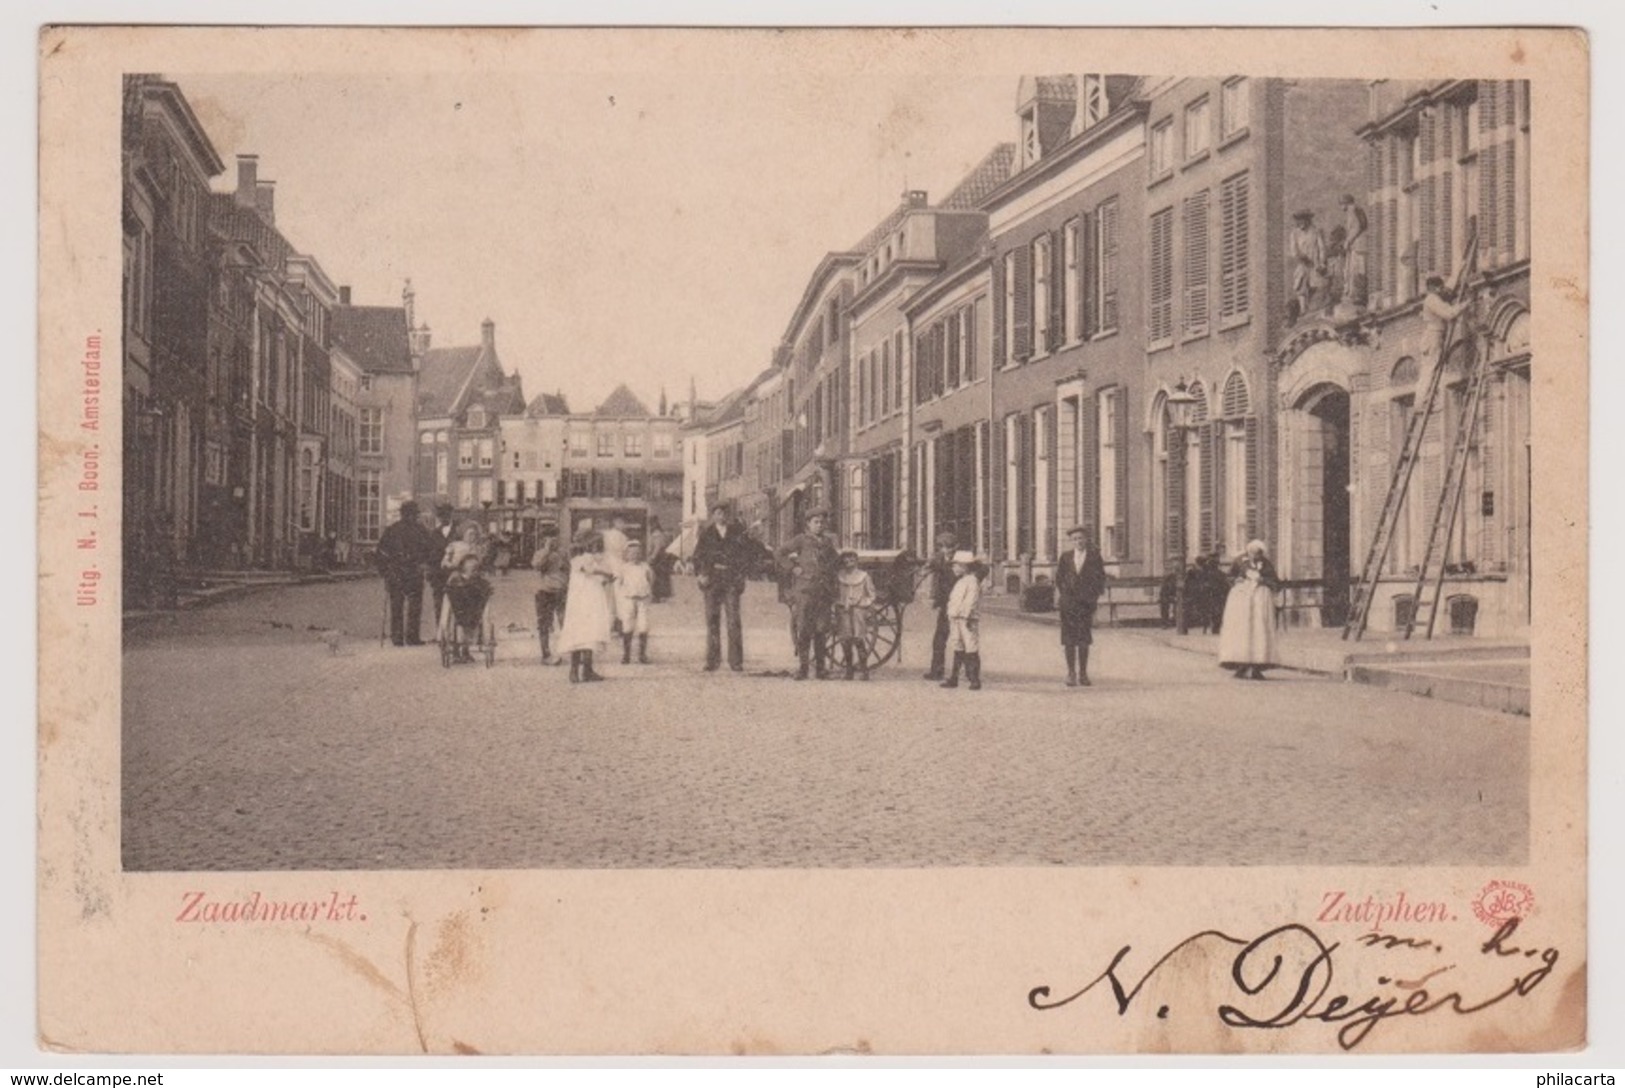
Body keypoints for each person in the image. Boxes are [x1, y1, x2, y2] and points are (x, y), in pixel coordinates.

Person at [777, 507, 840, 681]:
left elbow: (835, 562)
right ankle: (803, 668)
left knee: (821, 629)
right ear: (808, 524)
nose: (819, 525)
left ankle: (820, 669)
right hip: (805, 590)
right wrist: (793, 568)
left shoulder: (827, 543)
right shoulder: (801, 540)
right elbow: (780, 553)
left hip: (823, 592)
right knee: (804, 629)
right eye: (816, 522)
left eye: (822, 522)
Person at [692, 504, 754, 672]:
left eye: (724, 513)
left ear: (728, 515)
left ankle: (736, 662)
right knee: (712, 620)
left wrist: (741, 574)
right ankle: (712, 661)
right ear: (713, 515)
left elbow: (746, 554)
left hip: (731, 581)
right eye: (718, 513)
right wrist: (701, 574)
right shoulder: (706, 534)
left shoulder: (737, 532)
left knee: (733, 620)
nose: (721, 516)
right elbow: (697, 557)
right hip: (712, 581)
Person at [556, 530, 616, 683]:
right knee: (581, 632)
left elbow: (599, 578)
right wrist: (607, 573)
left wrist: (607, 578)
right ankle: (575, 670)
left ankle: (586, 670)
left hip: (591, 597)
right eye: (595, 543)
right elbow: (590, 570)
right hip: (582, 599)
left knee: (590, 632)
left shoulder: (592, 560)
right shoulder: (579, 559)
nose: (597, 547)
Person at [1218, 540, 1281, 680]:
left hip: (1260, 600)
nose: (1255, 556)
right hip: (1241, 600)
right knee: (1242, 630)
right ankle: (1241, 664)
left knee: (1258, 630)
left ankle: (1257, 665)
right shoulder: (1239, 561)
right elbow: (1229, 577)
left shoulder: (1266, 564)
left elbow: (1275, 581)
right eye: (1252, 553)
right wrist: (1236, 580)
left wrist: (1262, 580)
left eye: (1258, 554)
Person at [374, 500, 434, 646]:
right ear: (409, 514)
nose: (413, 517)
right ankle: (409, 637)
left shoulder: (393, 530)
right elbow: (429, 550)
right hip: (408, 573)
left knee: (400, 606)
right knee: (409, 605)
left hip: (401, 574)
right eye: (413, 514)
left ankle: (399, 637)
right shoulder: (419, 530)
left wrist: (385, 573)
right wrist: (423, 564)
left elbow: (381, 554)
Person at [1054, 525, 1107, 687]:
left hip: (1086, 604)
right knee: (1069, 640)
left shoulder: (1094, 557)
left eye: (1081, 538)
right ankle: (1071, 673)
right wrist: (1065, 595)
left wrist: (1092, 598)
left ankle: (1083, 673)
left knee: (1084, 640)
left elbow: (1100, 579)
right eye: (1075, 539)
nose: (1078, 542)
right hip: (1068, 604)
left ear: (1086, 540)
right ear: (1071, 541)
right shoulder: (1066, 557)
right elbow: (1059, 578)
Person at [940, 550, 983, 691]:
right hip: (956, 618)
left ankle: (975, 679)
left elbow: (971, 601)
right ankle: (954, 678)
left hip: (967, 620)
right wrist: (951, 614)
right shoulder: (961, 581)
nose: (953, 568)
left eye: (956, 565)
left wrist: (966, 616)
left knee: (971, 647)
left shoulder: (972, 581)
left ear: (964, 566)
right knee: (957, 646)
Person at [833, 549, 876, 681]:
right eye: (846, 559)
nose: (848, 562)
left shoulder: (864, 576)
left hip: (858, 611)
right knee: (845, 640)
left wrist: (862, 603)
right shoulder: (840, 576)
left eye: (852, 559)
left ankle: (864, 670)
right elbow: (834, 593)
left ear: (856, 561)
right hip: (844, 611)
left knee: (859, 639)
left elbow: (871, 594)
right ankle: (849, 670)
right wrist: (839, 603)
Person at [442, 553, 493, 663]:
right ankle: (465, 650)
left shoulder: (454, 583)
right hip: (474, 613)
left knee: (454, 621)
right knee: (469, 625)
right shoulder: (482, 584)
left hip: (459, 613)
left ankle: (457, 650)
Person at [921, 532, 958, 680]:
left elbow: (983, 569)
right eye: (942, 546)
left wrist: (973, 578)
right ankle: (936, 671)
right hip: (944, 605)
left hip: (958, 605)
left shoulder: (962, 559)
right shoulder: (939, 559)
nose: (945, 550)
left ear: (955, 547)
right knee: (939, 639)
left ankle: (964, 674)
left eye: (948, 547)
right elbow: (928, 568)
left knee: (959, 640)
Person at [530, 529, 569, 663]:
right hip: (544, 591)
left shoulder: (563, 553)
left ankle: (568, 650)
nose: (553, 542)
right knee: (544, 624)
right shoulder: (540, 553)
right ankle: (545, 654)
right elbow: (536, 565)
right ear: (543, 541)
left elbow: (569, 570)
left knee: (565, 621)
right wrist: (546, 550)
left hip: (562, 591)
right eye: (549, 539)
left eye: (555, 539)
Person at [615, 540, 655, 665]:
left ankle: (642, 655)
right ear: (626, 555)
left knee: (643, 625)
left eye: (638, 553)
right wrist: (621, 598)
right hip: (628, 598)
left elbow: (651, 579)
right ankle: (626, 654)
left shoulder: (645, 567)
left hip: (643, 598)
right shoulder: (623, 568)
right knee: (628, 625)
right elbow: (618, 583)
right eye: (632, 553)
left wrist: (649, 592)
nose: (635, 556)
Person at [1287, 209, 1326, 323]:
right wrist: (1300, 256)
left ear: (1308, 220)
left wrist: (1322, 262)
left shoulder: (1315, 231)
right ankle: (1303, 309)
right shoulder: (1295, 233)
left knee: (1317, 284)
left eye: (1303, 220)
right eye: (1298, 221)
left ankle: (1315, 308)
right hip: (1303, 263)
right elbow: (1294, 250)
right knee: (1301, 284)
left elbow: (1321, 247)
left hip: (1315, 262)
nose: (1301, 223)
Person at [426, 503, 459, 626]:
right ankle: (441, 633)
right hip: (438, 575)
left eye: (446, 515)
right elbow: (429, 554)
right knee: (439, 604)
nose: (443, 518)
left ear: (450, 515)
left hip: (455, 574)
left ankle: (456, 634)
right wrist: (430, 572)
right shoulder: (434, 533)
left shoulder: (458, 531)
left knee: (456, 603)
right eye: (441, 516)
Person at [1339, 194, 1369, 308]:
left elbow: (1357, 227)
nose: (1341, 208)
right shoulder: (1356, 209)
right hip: (1357, 245)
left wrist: (1348, 241)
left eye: (1341, 204)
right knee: (1354, 270)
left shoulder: (1352, 210)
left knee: (1357, 269)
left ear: (1345, 203)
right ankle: (1355, 293)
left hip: (1358, 245)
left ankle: (1357, 294)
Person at [647, 520, 674, 602]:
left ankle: (658, 595)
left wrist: (652, 557)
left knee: (658, 577)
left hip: (659, 558)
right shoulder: (660, 534)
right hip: (662, 558)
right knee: (661, 576)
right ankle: (661, 595)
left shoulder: (657, 535)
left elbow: (657, 547)